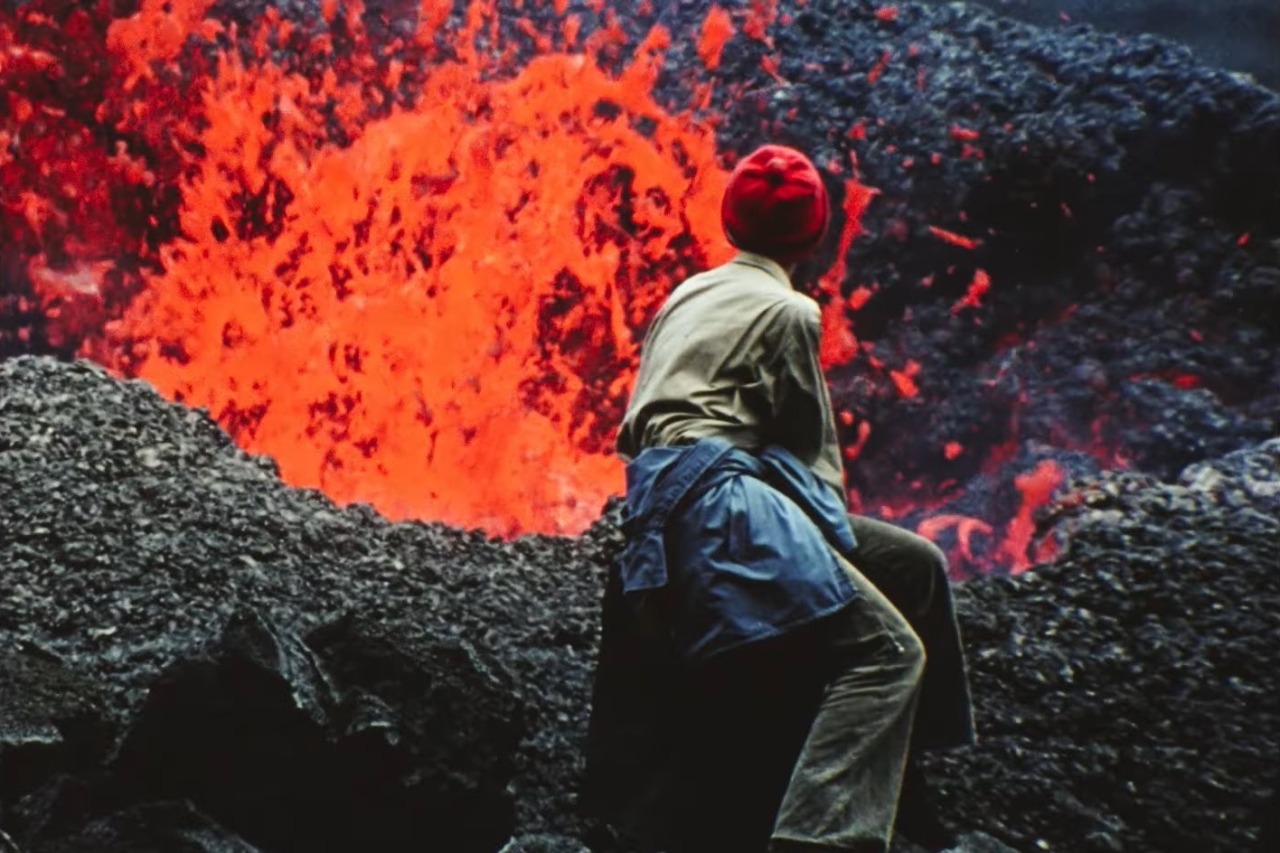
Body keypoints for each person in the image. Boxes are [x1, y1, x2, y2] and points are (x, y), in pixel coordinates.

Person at [603, 144, 976, 853]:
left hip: (664, 498)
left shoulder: (690, 290)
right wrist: (829, 552)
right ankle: (816, 836)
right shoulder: (791, 311)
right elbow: (809, 453)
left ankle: (897, 775)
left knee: (916, 563)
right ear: (815, 235)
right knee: (889, 652)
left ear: (730, 220)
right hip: (729, 506)